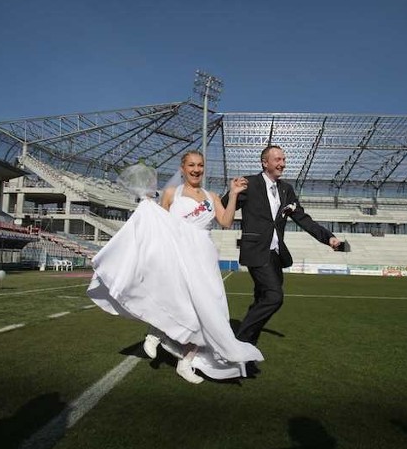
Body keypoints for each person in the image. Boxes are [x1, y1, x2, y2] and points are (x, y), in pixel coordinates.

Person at [88, 152, 263, 384]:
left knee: (208, 313)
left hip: (204, 258)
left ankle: (185, 362)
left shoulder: (211, 196)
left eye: (200, 165)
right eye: (191, 165)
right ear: (182, 168)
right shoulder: (171, 193)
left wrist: (232, 195)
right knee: (176, 300)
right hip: (178, 257)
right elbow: (159, 225)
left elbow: (226, 221)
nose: (196, 169)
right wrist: (147, 205)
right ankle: (155, 332)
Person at [224, 145, 341, 373]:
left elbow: (303, 218)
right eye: (277, 159)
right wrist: (232, 194)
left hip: (277, 255)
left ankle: (245, 354)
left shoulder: (286, 190)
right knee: (274, 297)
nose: (282, 163)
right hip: (257, 250)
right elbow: (223, 207)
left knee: (261, 300)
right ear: (264, 162)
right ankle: (235, 346)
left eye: (284, 159)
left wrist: (328, 238)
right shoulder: (249, 183)